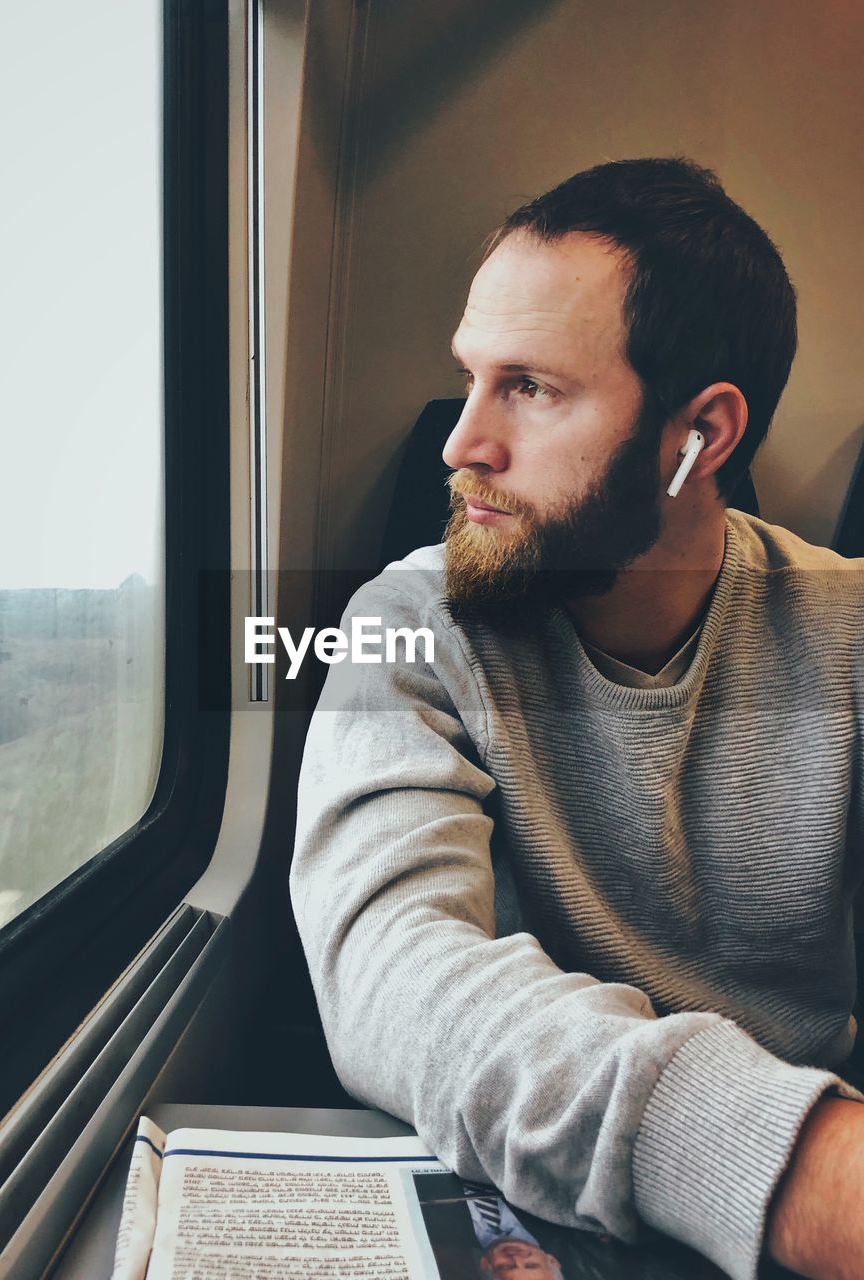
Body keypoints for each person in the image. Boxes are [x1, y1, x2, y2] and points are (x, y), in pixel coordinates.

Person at [289, 157, 864, 1280]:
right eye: (470, 378)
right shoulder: (405, 623)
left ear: (699, 434)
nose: (461, 444)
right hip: (536, 1219)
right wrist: (794, 1163)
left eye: (531, 388)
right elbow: (389, 974)